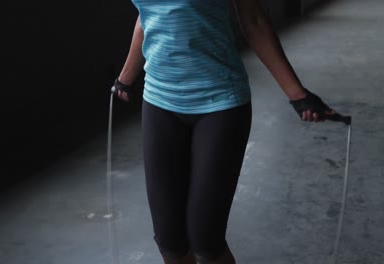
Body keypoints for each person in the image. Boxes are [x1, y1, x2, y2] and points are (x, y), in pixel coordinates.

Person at [111, 0, 337, 263]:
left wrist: (297, 95)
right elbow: (147, 15)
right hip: (159, 102)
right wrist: (126, 78)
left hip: (219, 103)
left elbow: (254, 20)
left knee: (206, 239)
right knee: (170, 240)